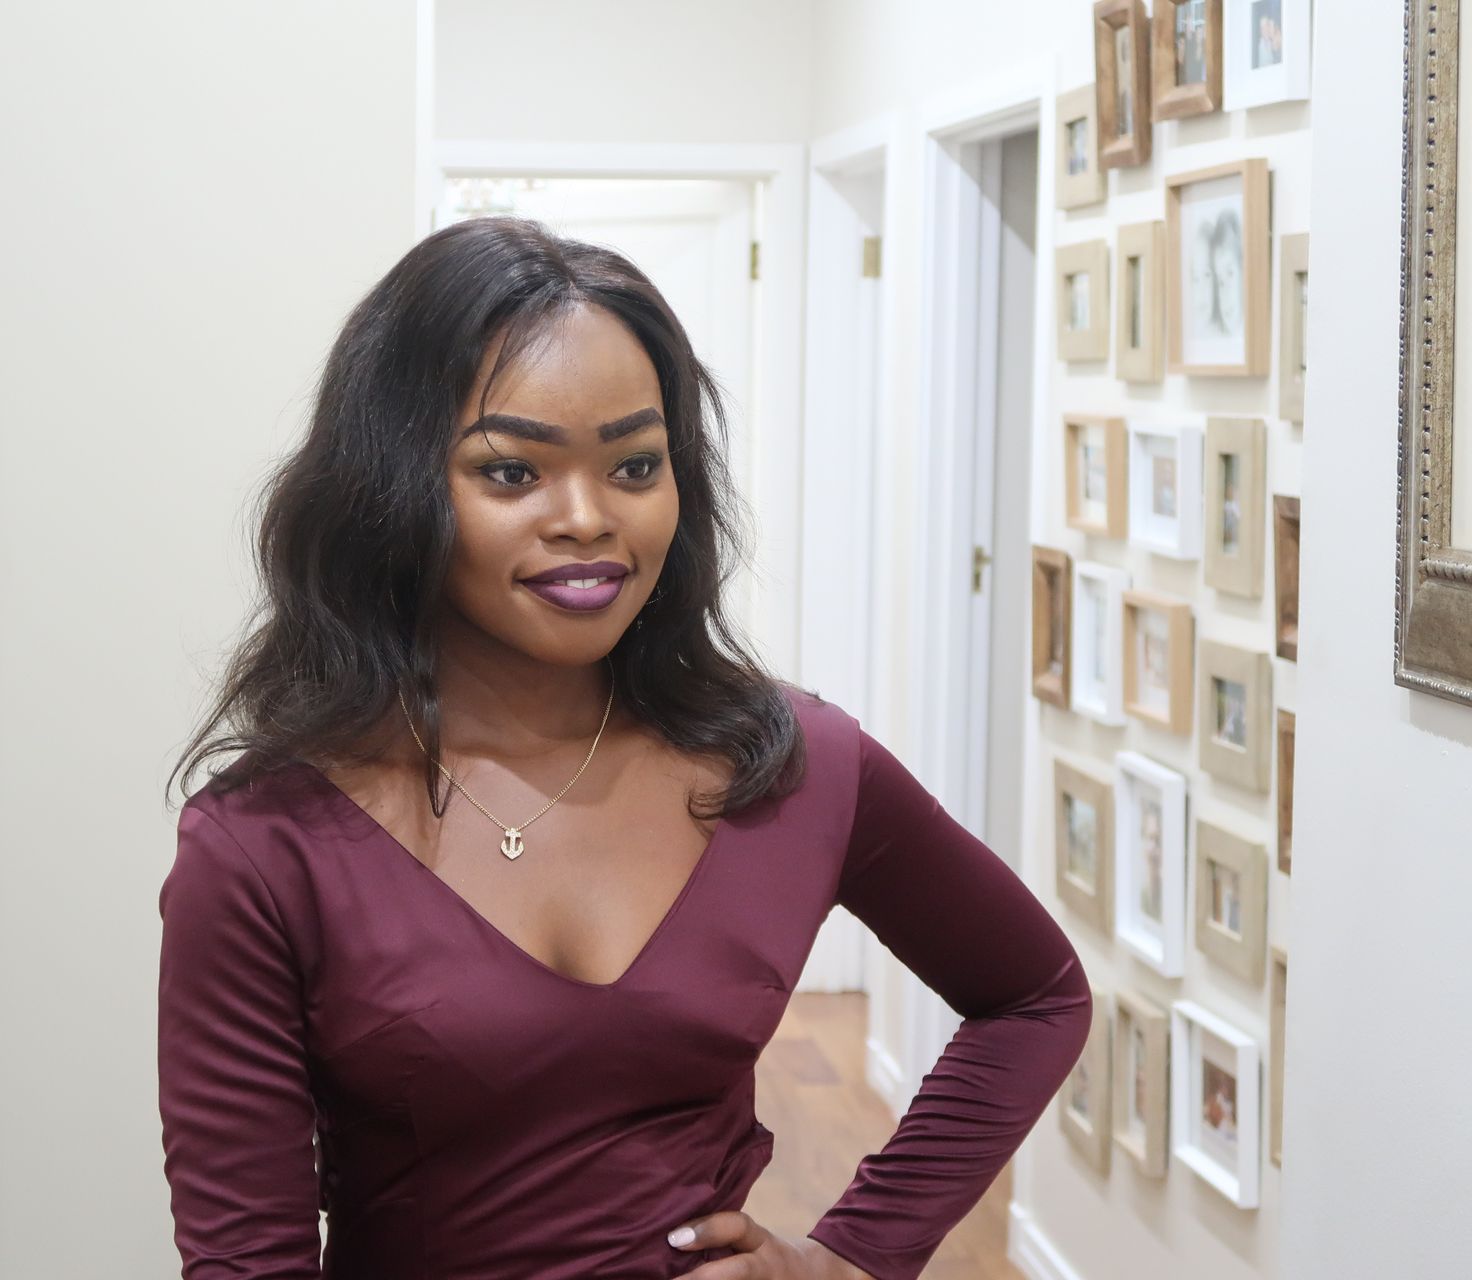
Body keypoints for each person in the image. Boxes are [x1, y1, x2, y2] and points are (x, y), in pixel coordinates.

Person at [157, 216, 1093, 1279]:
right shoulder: (265, 843)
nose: (588, 518)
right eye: (513, 473)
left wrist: (851, 1258)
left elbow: (1036, 993)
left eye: (635, 464)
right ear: (394, 491)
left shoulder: (796, 766)